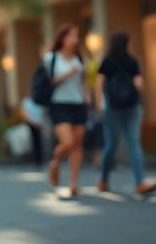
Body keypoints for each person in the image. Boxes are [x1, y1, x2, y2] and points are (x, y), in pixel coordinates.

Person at [95, 32, 156, 195]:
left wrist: (98, 104)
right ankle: (140, 182)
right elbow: (139, 84)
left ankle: (103, 180)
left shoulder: (107, 61)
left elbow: (99, 83)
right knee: (134, 143)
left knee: (111, 145)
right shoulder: (132, 61)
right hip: (131, 107)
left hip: (112, 108)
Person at [46, 24, 88, 197]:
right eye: (71, 36)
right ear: (62, 38)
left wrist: (88, 98)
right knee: (68, 142)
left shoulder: (79, 58)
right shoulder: (51, 58)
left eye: (77, 36)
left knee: (77, 145)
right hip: (59, 103)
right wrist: (68, 73)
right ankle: (55, 161)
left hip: (78, 104)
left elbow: (83, 81)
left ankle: (73, 183)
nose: (75, 40)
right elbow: (50, 81)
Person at [20, 96, 46, 167]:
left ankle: (40, 159)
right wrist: (31, 122)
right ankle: (35, 159)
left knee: (39, 142)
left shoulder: (39, 100)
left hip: (39, 124)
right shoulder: (27, 101)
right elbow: (24, 112)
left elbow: (43, 112)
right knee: (33, 142)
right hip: (31, 124)